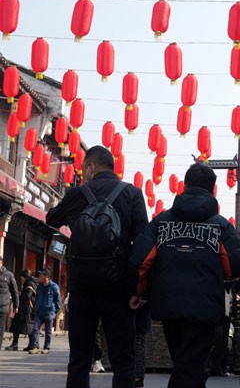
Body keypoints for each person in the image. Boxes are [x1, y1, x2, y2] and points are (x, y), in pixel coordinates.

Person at [129, 163, 240, 388]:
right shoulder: (220, 226)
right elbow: (234, 266)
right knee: (189, 367)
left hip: (168, 304)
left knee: (187, 365)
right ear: (213, 190)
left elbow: (140, 261)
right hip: (205, 306)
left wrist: (139, 291)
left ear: (184, 186)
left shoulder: (161, 222)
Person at [46, 145, 148, 388]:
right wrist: (139, 289)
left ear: (91, 167)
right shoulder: (132, 194)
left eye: (83, 170)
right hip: (118, 289)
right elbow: (143, 244)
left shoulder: (77, 195)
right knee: (123, 359)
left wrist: (74, 201)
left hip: (82, 287)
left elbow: (51, 219)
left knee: (79, 358)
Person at [30, 269, 61, 354]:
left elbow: (58, 300)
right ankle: (35, 347)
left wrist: (56, 312)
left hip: (49, 312)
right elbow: (36, 298)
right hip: (39, 312)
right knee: (35, 329)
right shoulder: (39, 287)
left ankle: (47, 347)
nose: (39, 277)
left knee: (48, 331)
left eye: (41, 275)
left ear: (46, 277)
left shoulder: (54, 287)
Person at [5, 269, 33, 351]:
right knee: (29, 327)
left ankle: (15, 344)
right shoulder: (32, 283)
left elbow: (28, 295)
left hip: (25, 309)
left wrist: (20, 297)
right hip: (27, 310)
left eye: (22, 278)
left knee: (16, 326)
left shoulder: (29, 284)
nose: (21, 280)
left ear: (25, 277)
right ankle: (31, 344)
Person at [0, 255, 19, 350]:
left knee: (0, 327)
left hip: (3, 306)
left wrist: (16, 305)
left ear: (1, 263)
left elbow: (14, 291)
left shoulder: (9, 275)